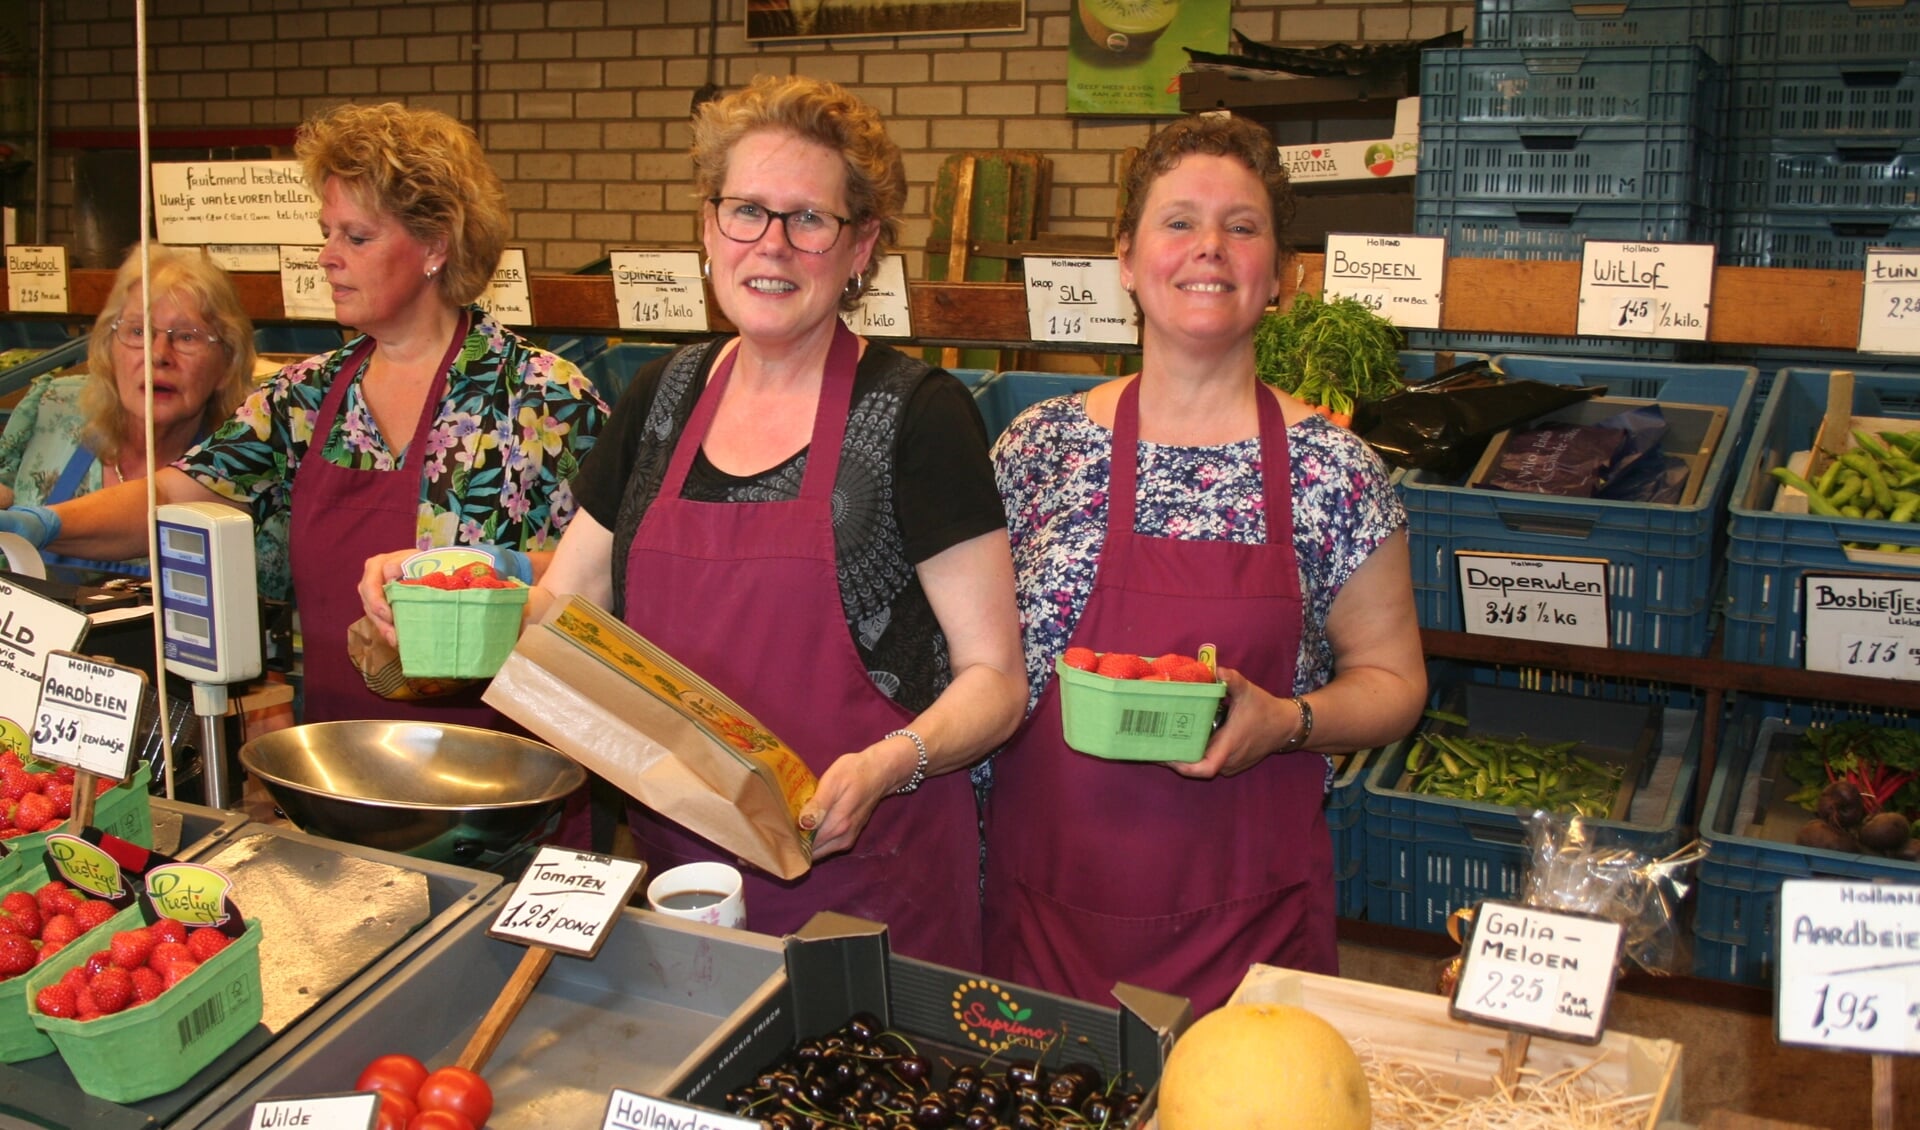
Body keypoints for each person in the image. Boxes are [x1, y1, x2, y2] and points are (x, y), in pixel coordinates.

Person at [508, 74, 1027, 967]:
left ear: (861, 246)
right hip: (684, 881)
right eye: (747, 210)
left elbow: (996, 679)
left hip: (869, 885)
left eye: (810, 219)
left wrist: (891, 761)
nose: (772, 245)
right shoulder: (659, 400)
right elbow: (563, 609)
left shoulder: (917, 414)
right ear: (709, 228)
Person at [982, 114, 1427, 1013]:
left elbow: (1394, 682)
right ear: (1126, 257)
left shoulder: (1332, 471)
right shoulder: (1040, 449)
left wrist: (1288, 721)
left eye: (1244, 226)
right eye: (1178, 221)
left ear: (1284, 276)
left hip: (1245, 943)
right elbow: (971, 665)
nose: (1209, 249)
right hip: (1041, 926)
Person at [0, 102, 607, 726]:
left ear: (434, 245)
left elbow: (610, 580)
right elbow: (174, 496)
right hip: (338, 757)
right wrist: (37, 523)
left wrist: (498, 572)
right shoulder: (308, 397)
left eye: (356, 236)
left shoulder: (541, 400)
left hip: (503, 767)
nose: (326, 256)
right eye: (328, 231)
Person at [0, 246, 255, 579]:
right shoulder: (52, 407)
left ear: (227, 364)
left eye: (187, 337)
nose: (158, 355)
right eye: (137, 332)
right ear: (109, 348)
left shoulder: (250, 459)